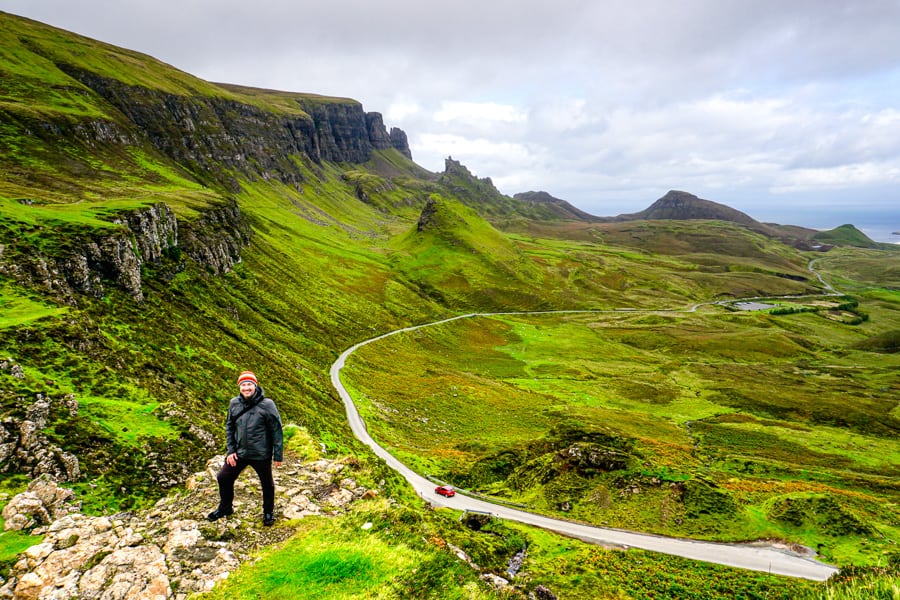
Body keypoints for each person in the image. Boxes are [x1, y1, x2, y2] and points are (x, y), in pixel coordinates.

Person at [208, 370, 283, 526]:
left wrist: (278, 455)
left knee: (266, 483)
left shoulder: (267, 404)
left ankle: (268, 512)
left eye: (249, 384)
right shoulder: (234, 403)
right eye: (243, 385)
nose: (246, 388)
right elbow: (229, 427)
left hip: (261, 454)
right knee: (223, 477)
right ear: (239, 387)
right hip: (240, 453)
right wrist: (231, 450)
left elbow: (276, 429)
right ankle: (225, 508)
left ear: (255, 386)